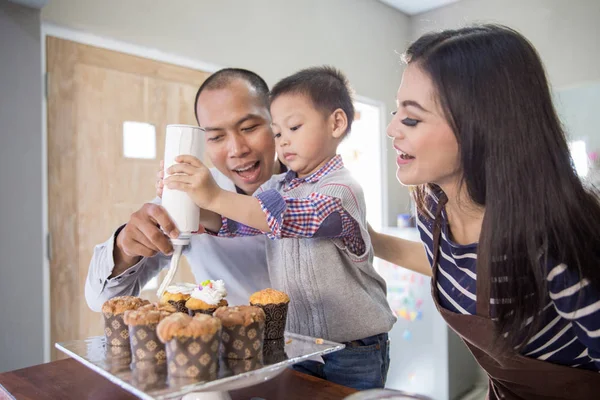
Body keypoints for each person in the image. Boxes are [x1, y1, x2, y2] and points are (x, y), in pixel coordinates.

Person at [369, 25, 600, 399]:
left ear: (482, 127)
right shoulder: (435, 212)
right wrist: (371, 241)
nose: (391, 128)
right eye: (397, 111)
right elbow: (452, 265)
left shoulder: (552, 244)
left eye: (411, 118)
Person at [165, 66, 396, 390]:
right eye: (277, 133)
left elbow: (287, 218)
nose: (283, 141)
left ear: (336, 123)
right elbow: (245, 223)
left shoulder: (343, 191)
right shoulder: (279, 185)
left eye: (295, 127)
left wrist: (216, 196)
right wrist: (199, 211)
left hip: (353, 348)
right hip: (300, 340)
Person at [85, 68, 283, 310]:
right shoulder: (190, 199)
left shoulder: (319, 189)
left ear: (275, 121)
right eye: (216, 137)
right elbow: (101, 300)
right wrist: (124, 250)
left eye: (249, 128)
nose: (237, 149)